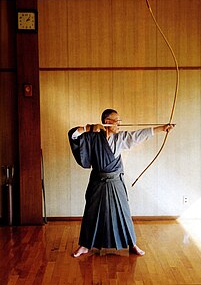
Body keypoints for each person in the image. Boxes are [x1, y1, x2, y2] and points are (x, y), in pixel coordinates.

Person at [68, 109, 175, 257]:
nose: (119, 123)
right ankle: (85, 245)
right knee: (92, 213)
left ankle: (132, 244)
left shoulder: (121, 137)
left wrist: (162, 128)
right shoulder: (92, 137)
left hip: (116, 180)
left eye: (119, 121)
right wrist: (88, 128)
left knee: (123, 212)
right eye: (116, 121)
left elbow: (139, 135)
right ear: (107, 122)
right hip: (98, 181)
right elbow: (73, 135)